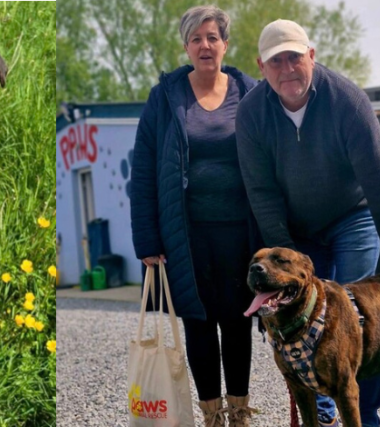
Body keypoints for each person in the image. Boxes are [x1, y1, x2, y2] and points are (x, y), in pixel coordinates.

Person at [235, 19, 380, 427]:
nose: (287, 67)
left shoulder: (347, 101)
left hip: (352, 217)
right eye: (276, 61)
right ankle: (324, 415)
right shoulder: (252, 113)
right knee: (304, 319)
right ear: (261, 66)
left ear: (311, 56)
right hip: (296, 230)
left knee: (357, 322)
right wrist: (281, 261)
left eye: (295, 56)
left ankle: (366, 416)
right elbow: (261, 192)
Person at [129, 5, 259, 427]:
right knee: (199, 325)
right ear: (186, 46)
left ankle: (239, 413)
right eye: (197, 38)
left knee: (239, 323)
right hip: (185, 235)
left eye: (213, 37)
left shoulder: (250, 91)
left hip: (241, 234)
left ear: (225, 44)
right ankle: (212, 416)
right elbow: (144, 169)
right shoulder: (165, 97)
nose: (206, 45)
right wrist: (147, 240)